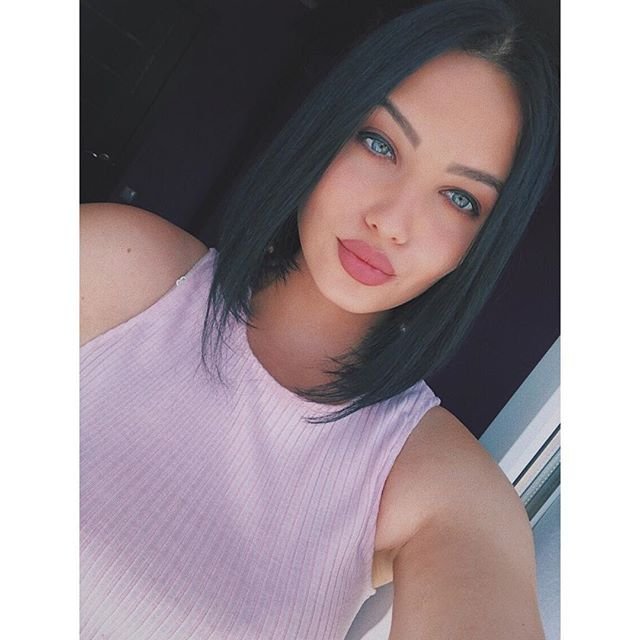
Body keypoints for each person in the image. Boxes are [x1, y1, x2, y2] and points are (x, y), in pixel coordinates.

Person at [80, 0, 558, 638]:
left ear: (481, 244)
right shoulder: (115, 267)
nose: (391, 221)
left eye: (459, 198)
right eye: (380, 144)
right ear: (329, 127)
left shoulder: (438, 487)